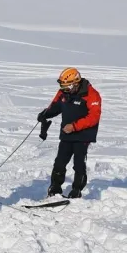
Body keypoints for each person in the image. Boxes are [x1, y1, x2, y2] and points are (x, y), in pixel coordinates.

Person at [37, 67, 102, 198]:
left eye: (67, 86)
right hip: (67, 133)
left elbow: (94, 117)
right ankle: (55, 188)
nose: (64, 89)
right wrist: (45, 114)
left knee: (78, 163)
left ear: (76, 83)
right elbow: (55, 105)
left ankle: (77, 189)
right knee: (60, 162)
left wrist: (74, 126)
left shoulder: (91, 94)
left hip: (83, 135)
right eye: (63, 86)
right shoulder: (63, 92)